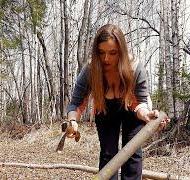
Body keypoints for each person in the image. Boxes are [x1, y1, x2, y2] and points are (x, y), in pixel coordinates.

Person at [66, 24, 169, 180]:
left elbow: (140, 102)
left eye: (112, 53)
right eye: (101, 53)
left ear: (121, 51)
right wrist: (72, 121)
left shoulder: (135, 68)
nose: (106, 58)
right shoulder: (90, 70)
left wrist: (147, 115)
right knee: (108, 153)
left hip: (132, 108)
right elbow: (76, 103)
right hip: (105, 108)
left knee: (132, 152)